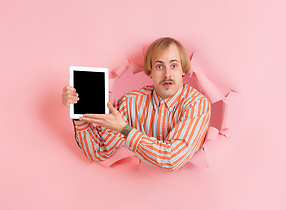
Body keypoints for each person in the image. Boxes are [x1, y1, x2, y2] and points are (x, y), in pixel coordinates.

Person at [62, 37, 211, 171]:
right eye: (159, 66)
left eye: (173, 66)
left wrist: (124, 129)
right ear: (150, 71)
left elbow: (172, 159)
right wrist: (78, 112)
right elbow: (98, 151)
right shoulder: (130, 102)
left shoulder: (197, 104)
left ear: (183, 70)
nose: (167, 74)